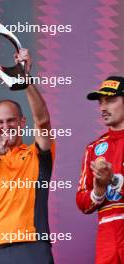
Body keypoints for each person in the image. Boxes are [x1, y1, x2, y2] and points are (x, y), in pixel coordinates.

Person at [0, 48, 55, 264]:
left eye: (11, 120)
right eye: (0, 122)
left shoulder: (37, 154)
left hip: (32, 248)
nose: (6, 126)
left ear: (22, 122)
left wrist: (26, 80)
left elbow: (43, 121)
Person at [76, 76, 124, 264]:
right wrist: (98, 190)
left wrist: (114, 180)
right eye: (100, 102)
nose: (103, 107)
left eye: (111, 100)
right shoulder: (94, 148)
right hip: (107, 236)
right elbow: (82, 202)